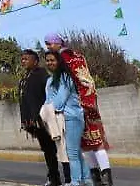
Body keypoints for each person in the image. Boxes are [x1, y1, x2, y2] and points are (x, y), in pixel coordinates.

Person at [45, 34, 113, 186]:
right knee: (90, 143)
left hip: (77, 107)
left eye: (49, 44)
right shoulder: (77, 55)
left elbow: (64, 93)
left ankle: (89, 179)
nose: (48, 47)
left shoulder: (64, 58)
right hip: (89, 101)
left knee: (81, 147)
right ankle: (97, 178)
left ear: (57, 43)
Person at [45, 51, 90, 186]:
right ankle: (87, 180)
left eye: (52, 60)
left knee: (71, 153)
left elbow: (58, 102)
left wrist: (49, 107)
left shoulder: (65, 77)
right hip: (60, 119)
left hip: (72, 117)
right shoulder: (50, 80)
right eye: (47, 60)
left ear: (59, 61)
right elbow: (48, 100)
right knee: (75, 150)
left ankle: (75, 181)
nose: (50, 63)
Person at [19, 50, 62, 186]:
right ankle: (54, 177)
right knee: (48, 150)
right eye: (22, 59)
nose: (23, 61)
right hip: (34, 122)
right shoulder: (26, 77)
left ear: (35, 61)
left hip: (44, 120)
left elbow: (51, 95)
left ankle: (58, 178)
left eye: (27, 59)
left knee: (55, 149)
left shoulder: (42, 75)